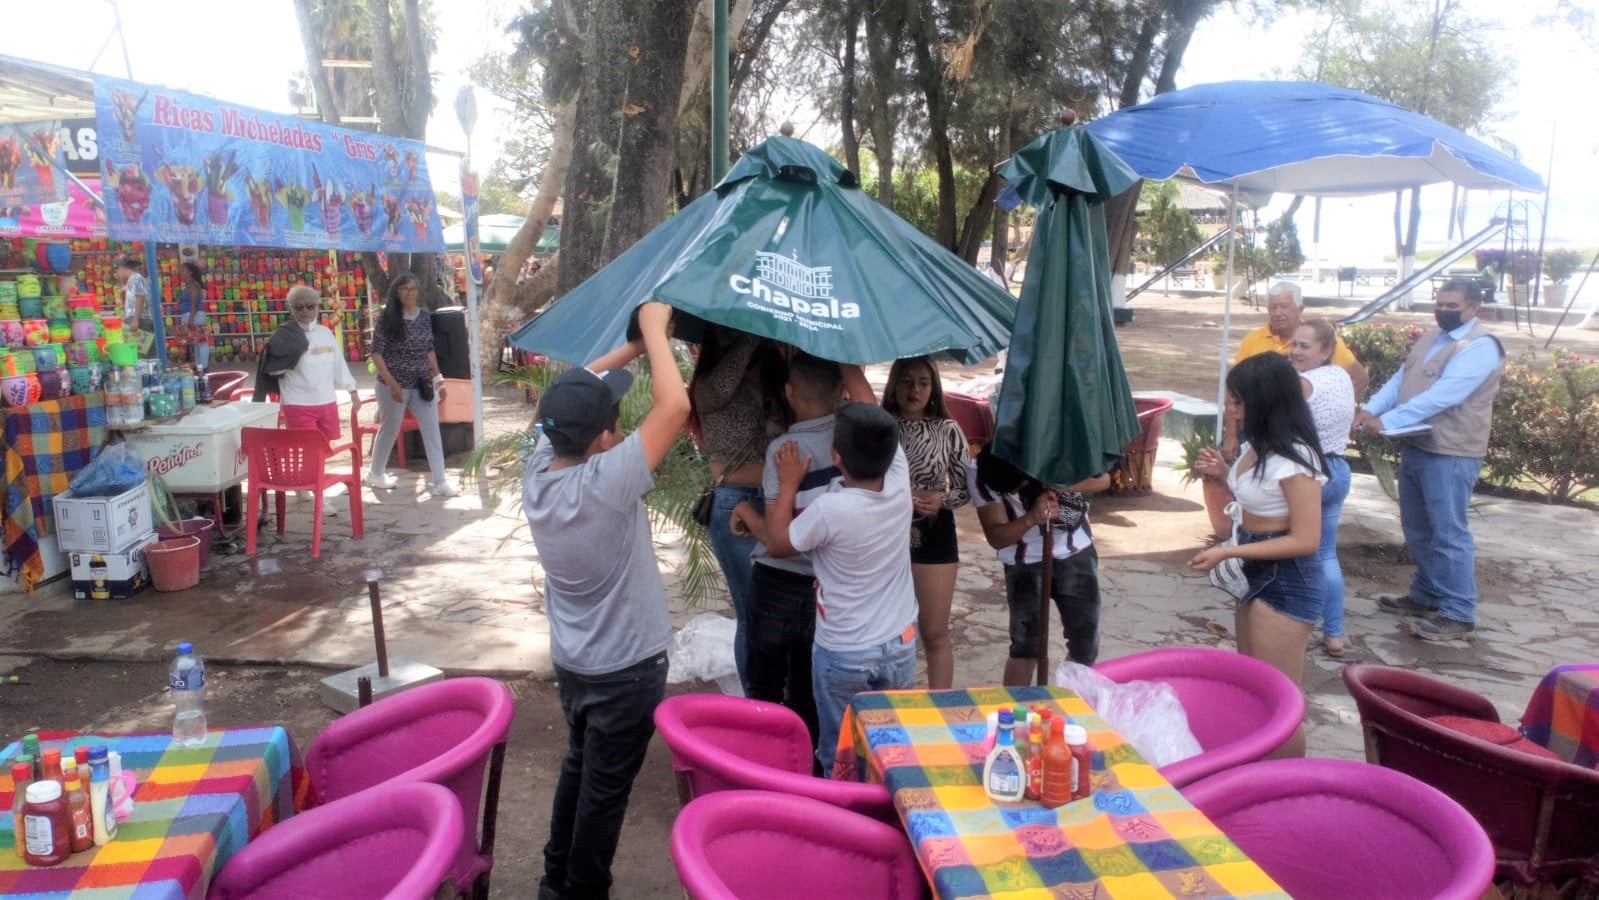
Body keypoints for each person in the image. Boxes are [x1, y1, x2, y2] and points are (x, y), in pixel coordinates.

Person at [523, 301, 690, 900]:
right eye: (616, 425)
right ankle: (581, 889)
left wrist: (633, 353)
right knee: (602, 794)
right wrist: (651, 327)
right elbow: (676, 407)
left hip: (576, 663)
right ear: (603, 439)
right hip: (627, 670)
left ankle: (553, 879)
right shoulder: (606, 482)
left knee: (578, 768)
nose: (622, 432)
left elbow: (566, 398)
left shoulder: (538, 469)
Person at [733, 403, 918, 775]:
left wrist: (785, 486)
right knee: (891, 742)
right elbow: (877, 417)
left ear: (836, 455)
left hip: (845, 650)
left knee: (839, 752)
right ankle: (884, 812)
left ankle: (844, 820)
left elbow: (781, 544)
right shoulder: (899, 482)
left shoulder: (830, 509)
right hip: (900, 643)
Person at [1190, 352, 1328, 758]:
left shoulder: (1295, 458)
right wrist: (1222, 472)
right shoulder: (1257, 446)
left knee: (1281, 702)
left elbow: (1306, 539)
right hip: (1254, 568)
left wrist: (1229, 550)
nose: (1230, 409)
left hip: (1286, 578)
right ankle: (1257, 771)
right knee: (1254, 686)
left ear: (1265, 400)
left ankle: (1286, 787)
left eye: (1237, 401)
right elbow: (1257, 499)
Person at [1353, 278, 1505, 641]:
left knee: (1448, 532)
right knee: (1417, 527)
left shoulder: (1479, 347)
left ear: (1474, 309)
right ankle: (1425, 595)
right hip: (1418, 445)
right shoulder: (1431, 339)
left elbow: (1443, 396)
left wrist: (1385, 421)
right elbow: (1399, 381)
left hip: (1451, 451)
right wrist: (1370, 410)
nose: (1444, 311)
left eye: (1453, 306)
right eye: (1440, 303)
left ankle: (1458, 610)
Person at [729, 352, 844, 751]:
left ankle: (762, 767)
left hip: (777, 585)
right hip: (826, 587)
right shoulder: (850, 442)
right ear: (840, 391)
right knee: (808, 689)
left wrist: (744, 510)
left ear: (790, 392)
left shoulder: (786, 449)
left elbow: (781, 540)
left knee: (764, 686)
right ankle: (803, 771)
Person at [689, 325, 788, 691]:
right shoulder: (710, 387)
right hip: (736, 503)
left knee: (779, 613)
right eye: (730, 332)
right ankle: (755, 699)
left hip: (779, 499)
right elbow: (723, 381)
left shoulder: (776, 382)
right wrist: (752, 330)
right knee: (752, 615)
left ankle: (777, 695)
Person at [971, 446, 1107, 686]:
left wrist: (1064, 484)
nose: (1017, 493)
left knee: (1085, 646)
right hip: (1024, 562)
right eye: (1010, 492)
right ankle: (1013, 716)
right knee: (1026, 648)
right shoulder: (978, 471)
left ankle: (1068, 709)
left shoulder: (1055, 448)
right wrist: (1030, 518)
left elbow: (1103, 480)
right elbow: (996, 537)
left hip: (1077, 553)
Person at [881, 356, 968, 690]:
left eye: (922, 382)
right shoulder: (881, 426)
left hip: (935, 533)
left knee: (934, 631)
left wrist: (942, 501)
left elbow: (964, 489)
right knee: (887, 630)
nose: (914, 389)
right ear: (893, 384)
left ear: (933, 388)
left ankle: (942, 707)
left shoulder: (947, 429)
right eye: (906, 381)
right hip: (887, 531)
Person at [1289, 317, 1356, 657]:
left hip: (1306, 473)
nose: (1295, 351)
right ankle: (1334, 634)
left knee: (1288, 552)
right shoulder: (1340, 375)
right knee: (1326, 553)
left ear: (1326, 350)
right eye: (1294, 344)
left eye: (1304, 346)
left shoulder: (1301, 383)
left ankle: (1290, 626)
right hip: (1338, 469)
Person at [369, 273, 457, 497]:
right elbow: (376, 353)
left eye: (413, 288)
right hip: (393, 383)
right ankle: (375, 472)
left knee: (432, 430)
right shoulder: (387, 318)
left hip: (421, 383)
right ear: (396, 292)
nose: (409, 293)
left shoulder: (424, 317)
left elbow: (429, 349)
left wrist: (438, 379)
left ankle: (440, 481)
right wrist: (392, 384)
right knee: (390, 428)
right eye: (404, 288)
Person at [1235, 282, 1370, 396]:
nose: (1277, 313)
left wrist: (1337, 410)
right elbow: (1235, 387)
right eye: (1273, 307)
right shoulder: (1251, 340)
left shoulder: (1322, 341)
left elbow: (1360, 378)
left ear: (1300, 309)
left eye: (1284, 307)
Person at [268, 285, 359, 442]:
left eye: (310, 306)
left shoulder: (325, 333)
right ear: (291, 309)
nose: (305, 311)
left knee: (324, 448)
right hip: (297, 403)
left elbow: (339, 364)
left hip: (327, 401)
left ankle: (319, 469)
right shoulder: (283, 335)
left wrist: (352, 390)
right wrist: (289, 357)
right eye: (299, 307)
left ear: (317, 308)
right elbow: (272, 370)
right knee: (306, 449)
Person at [177, 262, 211, 370]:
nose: (180, 273)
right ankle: (199, 365)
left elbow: (194, 304)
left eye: (183, 270)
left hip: (195, 316)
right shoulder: (189, 285)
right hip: (192, 315)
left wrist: (190, 319)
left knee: (201, 342)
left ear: (190, 272)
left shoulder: (193, 285)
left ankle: (204, 366)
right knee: (197, 342)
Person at [112, 257, 149, 352]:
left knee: (142, 352)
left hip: (141, 321)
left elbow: (140, 298)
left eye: (117, 270)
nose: (117, 274)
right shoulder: (131, 280)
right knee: (135, 352)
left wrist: (135, 320)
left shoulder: (136, 278)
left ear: (122, 268)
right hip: (135, 320)